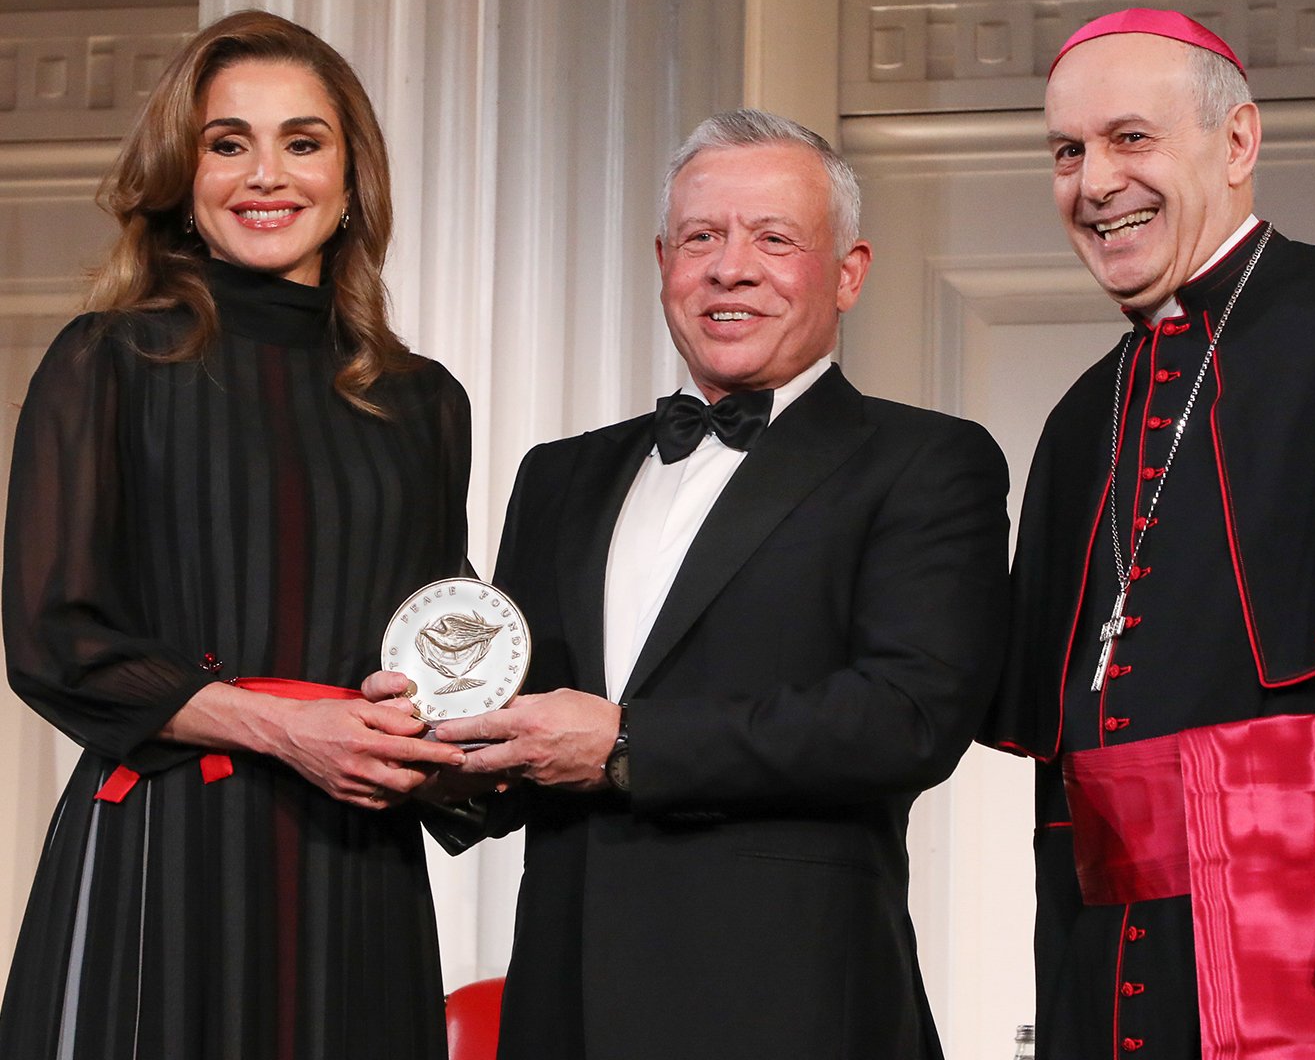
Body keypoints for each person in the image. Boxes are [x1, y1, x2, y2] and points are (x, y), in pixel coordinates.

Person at [368, 107, 1010, 1060]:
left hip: (791, 1007)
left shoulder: (925, 461)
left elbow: (907, 716)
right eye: (701, 237)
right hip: (565, 1002)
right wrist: (428, 742)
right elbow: (521, 742)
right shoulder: (560, 474)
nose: (730, 267)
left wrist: (625, 743)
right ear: (662, 261)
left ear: (848, 272)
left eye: (774, 238)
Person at [0, 10, 471, 1059]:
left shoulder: (425, 402)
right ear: (185, 175)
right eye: (229, 143)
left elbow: (437, 637)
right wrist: (285, 728)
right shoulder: (107, 362)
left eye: (303, 142)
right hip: (166, 854)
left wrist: (442, 743)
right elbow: (52, 640)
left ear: (352, 184)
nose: (267, 175)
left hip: (357, 871)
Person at [983, 8, 1315, 1059]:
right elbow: (1062, 793)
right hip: (1119, 975)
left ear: (1239, 142)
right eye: (1067, 152)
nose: (1094, 182)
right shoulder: (1083, 417)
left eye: (1130, 138)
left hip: (1313, 969)